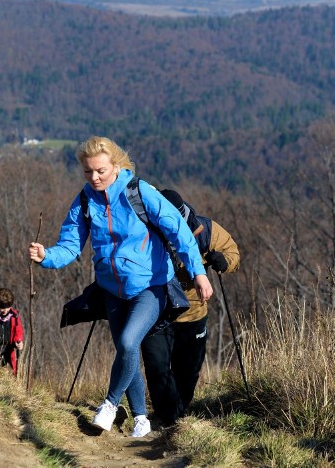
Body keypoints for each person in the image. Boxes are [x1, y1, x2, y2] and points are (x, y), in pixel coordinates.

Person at [28, 136, 212, 438]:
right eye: (88, 172)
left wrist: (198, 272)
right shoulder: (85, 200)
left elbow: (178, 230)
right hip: (112, 291)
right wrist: (46, 256)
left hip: (150, 286)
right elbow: (70, 246)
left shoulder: (140, 192)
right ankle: (141, 418)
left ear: (115, 165)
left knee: (128, 343)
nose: (94, 177)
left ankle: (110, 404)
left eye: (100, 170)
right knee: (125, 354)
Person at [141, 189, 240, 427]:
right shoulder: (143, 228)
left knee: (188, 372)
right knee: (157, 366)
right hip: (155, 310)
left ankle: (178, 415)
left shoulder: (203, 230)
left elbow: (232, 252)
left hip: (193, 312)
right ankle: (167, 419)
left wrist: (223, 262)